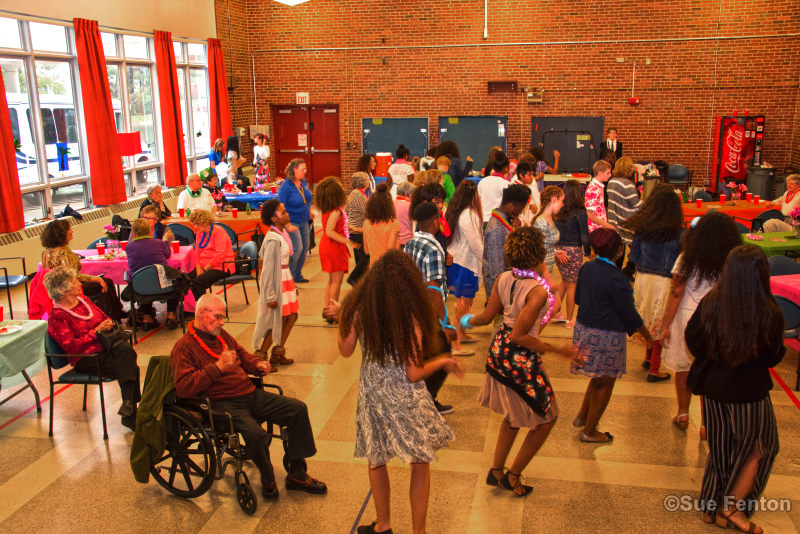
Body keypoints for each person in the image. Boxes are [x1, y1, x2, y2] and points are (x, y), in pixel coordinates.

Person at [334, 250, 461, 534]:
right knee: (420, 461)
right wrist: (443, 360)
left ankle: (383, 525)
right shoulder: (411, 317)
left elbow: (345, 351)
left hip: (374, 396)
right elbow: (413, 372)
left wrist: (343, 316)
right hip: (407, 398)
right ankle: (419, 532)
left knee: (376, 460)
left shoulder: (360, 309)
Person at [171, 293, 327, 502]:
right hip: (221, 404)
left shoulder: (220, 335)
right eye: (217, 317)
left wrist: (257, 364)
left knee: (297, 409)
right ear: (201, 313)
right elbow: (184, 387)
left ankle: (296, 473)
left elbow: (243, 355)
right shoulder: (184, 347)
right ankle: (268, 477)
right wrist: (218, 367)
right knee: (256, 434)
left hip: (249, 393)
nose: (222, 322)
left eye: (222, 317)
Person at [462, 227, 581, 497]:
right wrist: (559, 350)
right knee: (547, 417)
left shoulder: (506, 277)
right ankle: (512, 475)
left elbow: (484, 317)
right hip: (519, 359)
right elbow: (521, 336)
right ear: (539, 255)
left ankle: (496, 470)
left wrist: (462, 320)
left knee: (513, 416)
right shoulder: (536, 291)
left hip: (499, 351)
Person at [685, 245, 783, 533]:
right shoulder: (767, 311)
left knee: (722, 448)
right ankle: (733, 509)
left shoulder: (711, 302)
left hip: (713, 389)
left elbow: (693, 340)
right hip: (748, 392)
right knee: (762, 447)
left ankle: (711, 507)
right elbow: (773, 357)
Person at [660, 212, 741, 439]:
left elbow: (677, 292)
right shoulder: (731, 259)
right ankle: (707, 423)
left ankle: (683, 413)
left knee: (684, 367)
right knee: (711, 369)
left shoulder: (687, 257)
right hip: (719, 317)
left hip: (688, 317)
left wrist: (665, 325)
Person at [571, 228, 653, 443]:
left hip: (583, 329)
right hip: (606, 335)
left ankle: (582, 416)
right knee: (606, 383)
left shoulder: (587, 267)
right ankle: (589, 431)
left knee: (596, 377)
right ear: (619, 251)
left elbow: (578, 298)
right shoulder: (617, 278)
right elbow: (629, 314)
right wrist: (647, 336)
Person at [45, 266, 140, 430]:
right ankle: (130, 410)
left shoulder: (84, 300)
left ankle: (129, 407)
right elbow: (71, 347)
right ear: (64, 290)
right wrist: (96, 332)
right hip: (85, 358)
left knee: (125, 352)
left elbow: (104, 317)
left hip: (106, 347)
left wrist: (107, 323)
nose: (78, 283)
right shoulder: (58, 316)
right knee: (129, 363)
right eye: (75, 281)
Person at [622, 184, 685, 383]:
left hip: (643, 279)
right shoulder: (680, 233)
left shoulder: (642, 229)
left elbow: (634, 256)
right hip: (665, 282)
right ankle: (655, 369)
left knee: (647, 318)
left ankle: (648, 358)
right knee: (662, 322)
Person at [405, 202, 459, 415]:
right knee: (443, 355)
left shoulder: (411, 242)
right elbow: (434, 291)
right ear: (436, 221)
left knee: (423, 355)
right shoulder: (434, 248)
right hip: (428, 313)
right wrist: (445, 324)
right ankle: (427, 400)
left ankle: (420, 397)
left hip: (412, 307)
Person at [40, 219, 123, 321]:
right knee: (107, 282)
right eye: (69, 229)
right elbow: (74, 276)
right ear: (62, 233)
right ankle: (112, 316)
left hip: (55, 286)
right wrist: (97, 279)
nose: (72, 231)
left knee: (104, 281)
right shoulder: (64, 252)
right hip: (68, 287)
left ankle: (116, 311)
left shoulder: (46, 251)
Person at [554, 180, 610, 328]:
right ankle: (569, 320)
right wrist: (587, 251)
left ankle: (555, 313)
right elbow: (584, 236)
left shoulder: (560, 210)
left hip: (558, 250)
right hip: (573, 251)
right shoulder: (580, 212)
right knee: (573, 284)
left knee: (565, 282)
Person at [253, 200, 297, 368]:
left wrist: (292, 286)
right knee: (276, 320)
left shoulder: (282, 234)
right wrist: (270, 295)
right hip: (276, 282)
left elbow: (284, 263)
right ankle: (260, 357)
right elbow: (268, 270)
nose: (286, 214)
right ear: (273, 218)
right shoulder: (272, 239)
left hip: (285, 279)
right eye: (282, 212)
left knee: (292, 315)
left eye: (285, 211)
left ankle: (278, 353)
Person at [445, 180, 483, 355]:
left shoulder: (457, 211)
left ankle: (463, 334)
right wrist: (487, 260)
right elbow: (475, 244)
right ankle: (456, 344)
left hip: (460, 263)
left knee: (465, 302)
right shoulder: (468, 214)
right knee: (463, 304)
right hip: (465, 264)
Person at [124, 218, 180, 330]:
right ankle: (170, 316)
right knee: (176, 280)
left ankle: (147, 319)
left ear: (133, 234)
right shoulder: (159, 243)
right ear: (150, 231)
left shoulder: (128, 247)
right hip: (164, 286)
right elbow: (167, 254)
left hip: (140, 288)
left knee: (144, 279)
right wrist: (164, 241)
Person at [482, 184, 531, 298]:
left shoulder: (505, 222)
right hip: (500, 292)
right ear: (511, 205)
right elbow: (497, 271)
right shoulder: (496, 229)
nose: (521, 211)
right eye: (521, 207)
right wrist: (503, 296)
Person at [315, 177, 350, 322]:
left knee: (330, 280)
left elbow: (334, 227)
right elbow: (330, 231)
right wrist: (346, 240)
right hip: (334, 246)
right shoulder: (336, 211)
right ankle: (333, 313)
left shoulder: (327, 210)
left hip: (326, 245)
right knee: (337, 281)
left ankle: (327, 308)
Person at [277, 159, 314, 283]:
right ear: (294, 170)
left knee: (305, 248)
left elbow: (306, 198)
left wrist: (310, 211)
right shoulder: (286, 187)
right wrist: (287, 224)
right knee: (297, 249)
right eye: (302, 169)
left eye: (305, 169)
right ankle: (289, 278)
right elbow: (280, 207)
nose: (305, 171)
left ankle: (297, 275)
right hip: (292, 221)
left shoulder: (302, 182)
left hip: (304, 220)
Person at [607, 157, 642, 280]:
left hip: (614, 220)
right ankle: (627, 272)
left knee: (618, 250)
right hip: (628, 221)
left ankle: (617, 274)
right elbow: (635, 203)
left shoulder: (611, 181)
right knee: (636, 249)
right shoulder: (628, 184)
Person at [186, 209, 234, 300]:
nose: (195, 226)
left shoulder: (219, 231)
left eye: (197, 224)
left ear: (205, 222)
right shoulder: (199, 234)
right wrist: (198, 269)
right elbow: (197, 253)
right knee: (185, 279)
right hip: (204, 266)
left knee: (197, 282)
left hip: (222, 266)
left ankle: (203, 309)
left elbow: (219, 256)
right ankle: (190, 309)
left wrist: (203, 270)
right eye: (193, 224)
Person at [364, 183, 399, 266]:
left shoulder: (366, 223)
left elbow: (366, 251)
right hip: (387, 268)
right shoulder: (393, 224)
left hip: (373, 267)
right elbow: (391, 252)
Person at [346, 172, 371, 286]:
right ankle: (353, 279)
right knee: (365, 259)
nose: (369, 181)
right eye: (367, 179)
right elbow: (368, 212)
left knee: (360, 259)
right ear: (363, 182)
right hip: (358, 231)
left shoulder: (355, 193)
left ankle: (359, 283)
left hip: (355, 231)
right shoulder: (358, 195)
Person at [477, 150, 511, 223]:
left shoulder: (483, 181)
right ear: (506, 168)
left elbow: (478, 201)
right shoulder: (505, 183)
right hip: (496, 221)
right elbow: (508, 205)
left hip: (482, 219)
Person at [586, 160, 612, 233]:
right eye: (608, 173)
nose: (610, 175)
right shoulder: (594, 188)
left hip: (599, 228)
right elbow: (589, 214)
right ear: (600, 173)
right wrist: (606, 225)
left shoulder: (598, 187)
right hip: (595, 229)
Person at [510, 161, 540, 225]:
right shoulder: (517, 189)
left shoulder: (523, 187)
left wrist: (530, 205)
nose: (532, 177)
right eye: (529, 175)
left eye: (532, 174)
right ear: (521, 175)